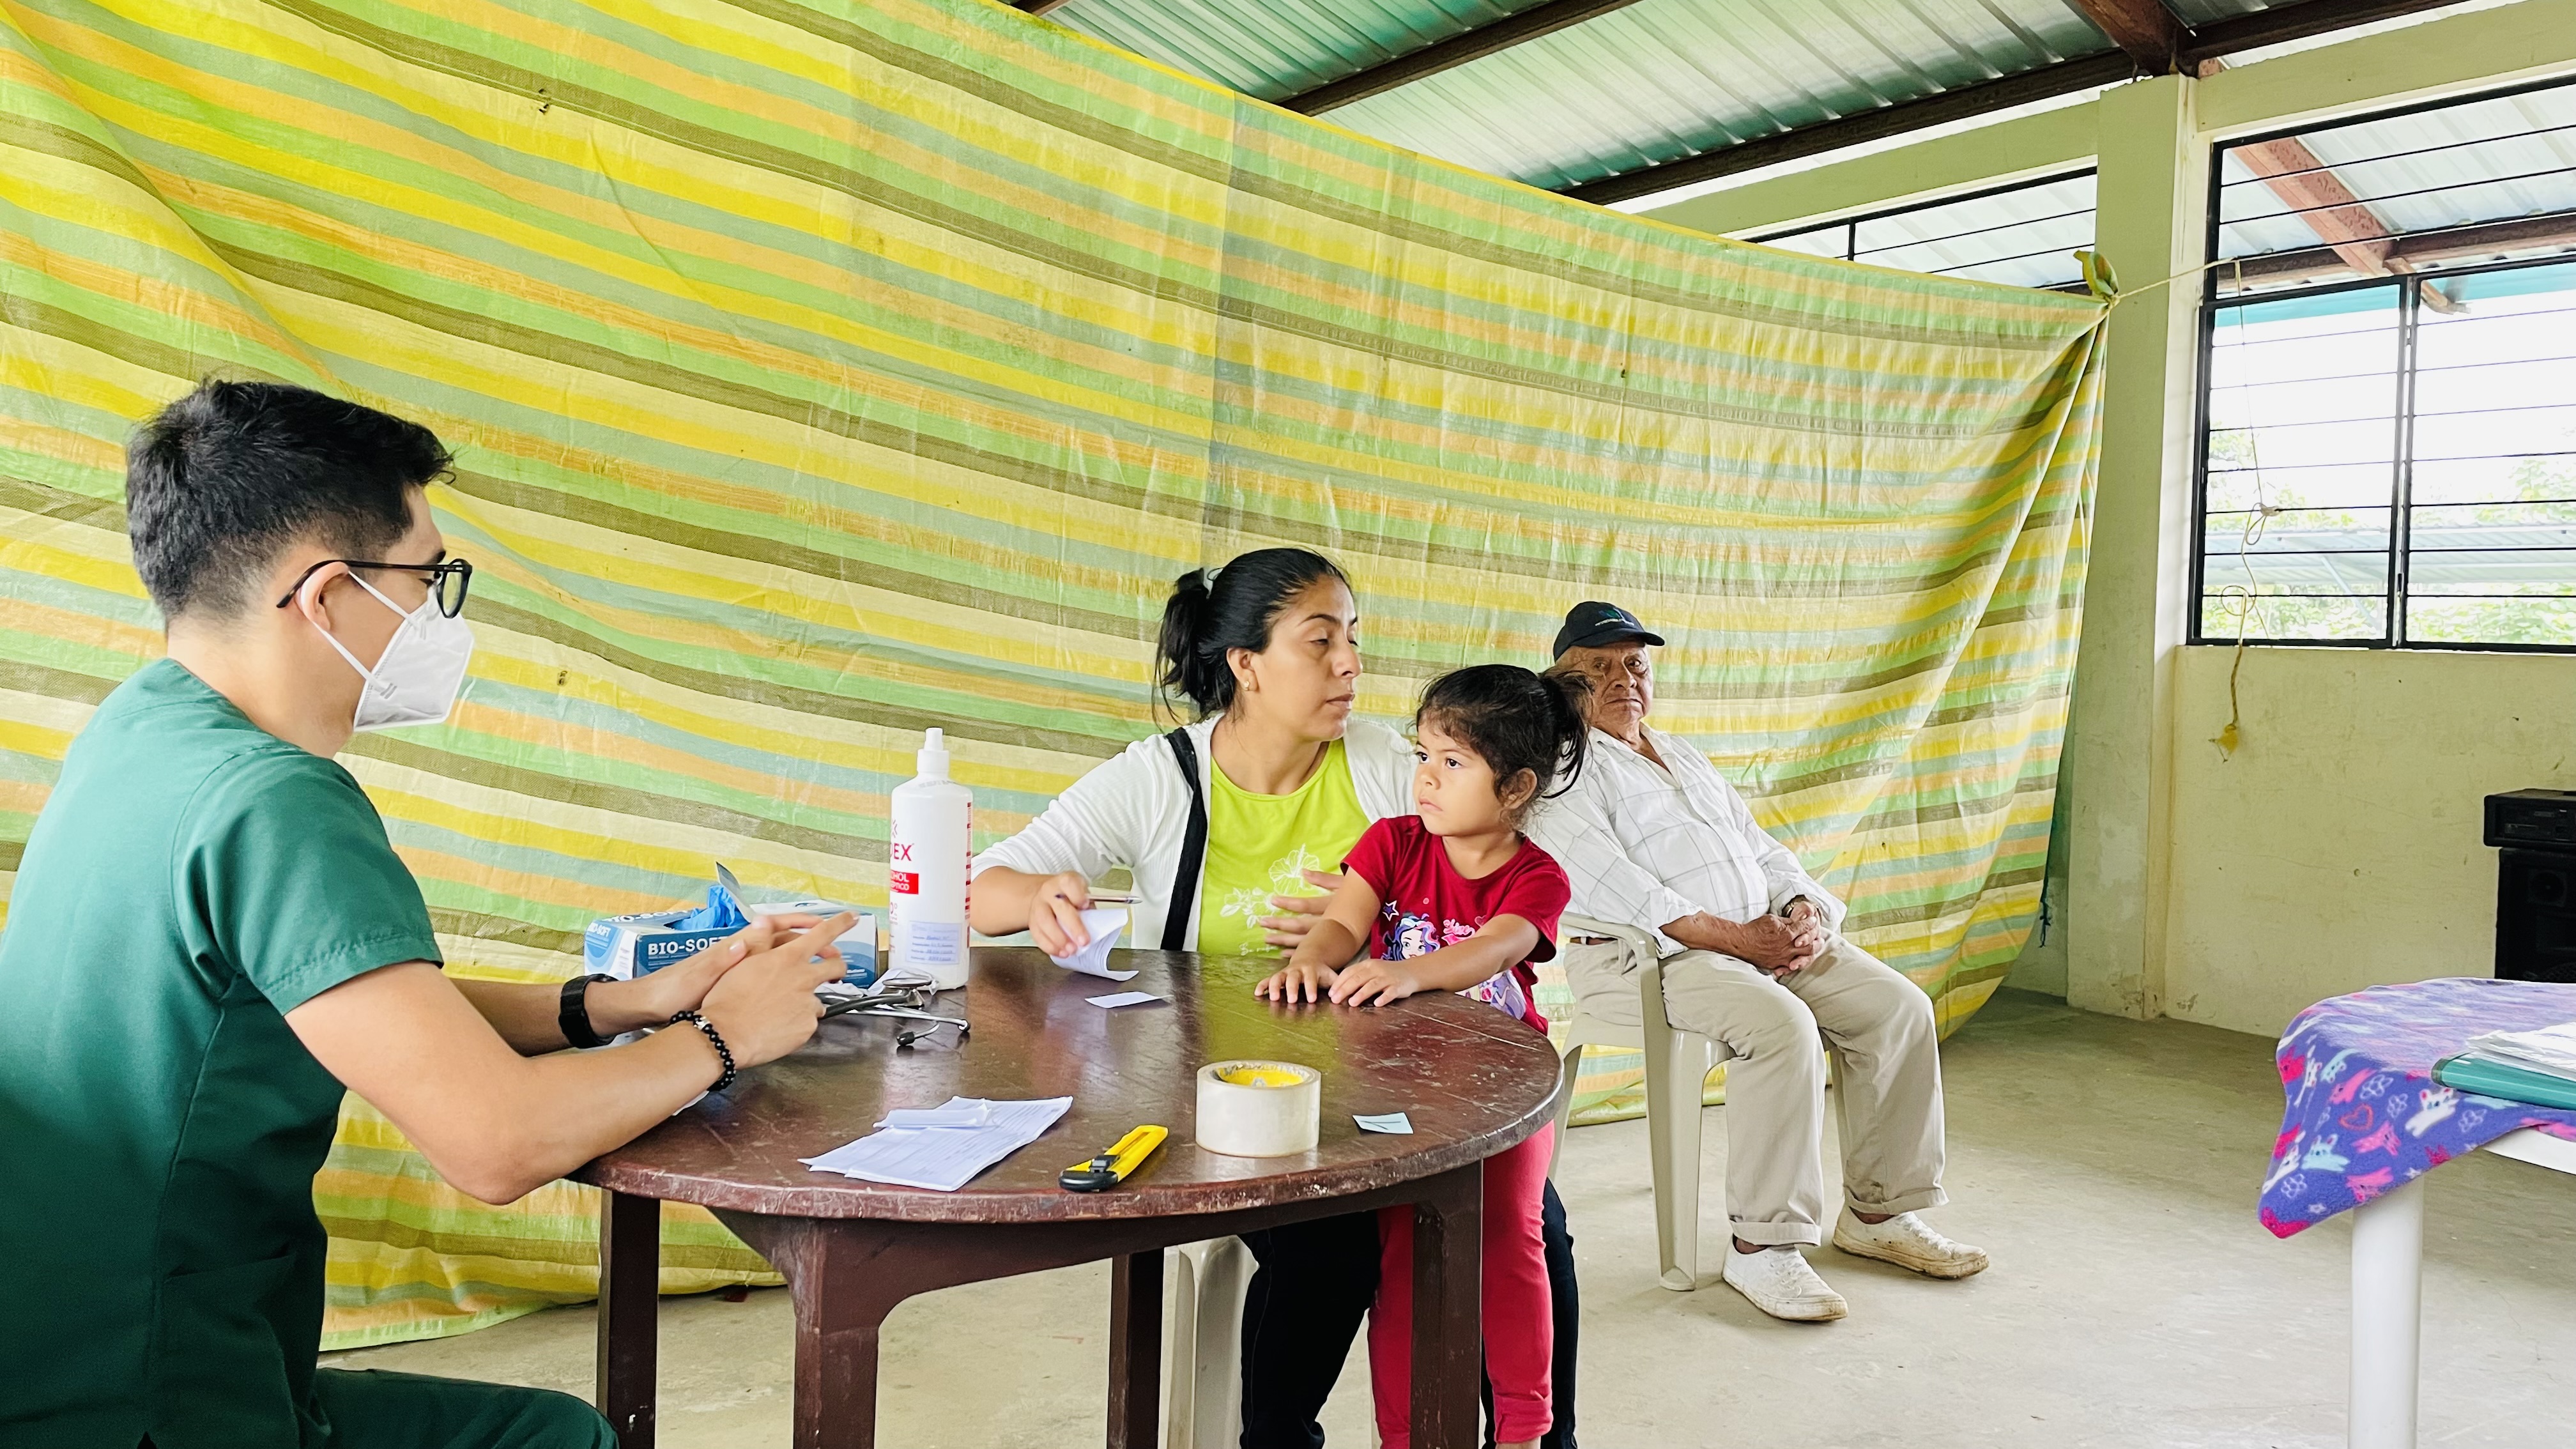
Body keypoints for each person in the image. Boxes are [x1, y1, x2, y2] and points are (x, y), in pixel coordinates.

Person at [0, 381, 855, 1449]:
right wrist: (726, 1034)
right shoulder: (276, 803)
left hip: (56, 1350)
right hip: (151, 1398)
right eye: (428, 578)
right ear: (328, 594)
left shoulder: (143, 728)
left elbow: (337, 1002)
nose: (438, 616)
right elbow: (499, 1142)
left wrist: (618, 1003)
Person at [970, 554, 1583, 1449]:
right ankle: (1279, 1438)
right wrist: (1037, 897)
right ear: (1246, 664)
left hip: (1388, 1088)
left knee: (1531, 1227)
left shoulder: (1388, 765)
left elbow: (1496, 875)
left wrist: (1368, 925)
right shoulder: (1161, 778)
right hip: (1221, 1094)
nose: (1351, 664)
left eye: (1354, 639)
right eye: (1321, 641)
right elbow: (980, 890)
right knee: (1330, 1247)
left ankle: (1539, 1437)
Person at [1528, 601, 1987, 1324]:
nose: (1624, 681)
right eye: (1598, 669)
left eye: (1636, 665)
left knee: (1898, 1009)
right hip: (1648, 963)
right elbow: (1624, 892)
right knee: (1781, 1027)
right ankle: (1762, 1246)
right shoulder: (1561, 770)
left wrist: (1801, 909)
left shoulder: (1681, 753)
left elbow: (1761, 849)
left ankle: (1878, 1214)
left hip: (1755, 944)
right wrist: (1741, 941)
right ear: (1562, 684)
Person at [1258, 664, 1587, 1449]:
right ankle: (1406, 1435)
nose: (1426, 779)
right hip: (1398, 1091)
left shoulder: (1537, 877)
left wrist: (1409, 972)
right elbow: (1343, 923)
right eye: (1422, 755)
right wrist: (1313, 961)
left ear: (1516, 788)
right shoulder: (1392, 842)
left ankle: (1524, 1426)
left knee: (1512, 1236)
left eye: (1453, 762)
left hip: (1503, 1095)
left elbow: (1495, 947)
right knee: (1402, 1257)